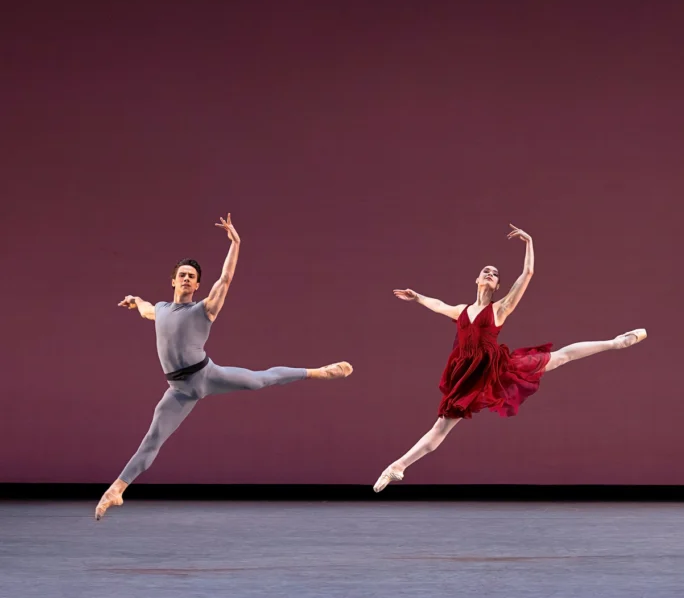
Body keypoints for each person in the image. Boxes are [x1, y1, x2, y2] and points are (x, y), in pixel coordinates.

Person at [95, 214, 352, 519]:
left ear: (197, 284)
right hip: (178, 391)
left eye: (192, 276)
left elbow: (225, 279)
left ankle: (317, 371)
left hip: (206, 375)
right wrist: (134, 299)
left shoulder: (205, 309)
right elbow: (146, 309)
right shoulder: (161, 309)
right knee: (153, 439)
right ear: (174, 280)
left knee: (260, 380)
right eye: (183, 275)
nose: (187, 279)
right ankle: (117, 490)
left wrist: (235, 243)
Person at [372, 224, 647, 492]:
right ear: (478, 280)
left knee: (560, 357)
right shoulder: (462, 311)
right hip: (468, 374)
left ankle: (616, 342)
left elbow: (527, 274)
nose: (490, 273)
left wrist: (529, 243)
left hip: (496, 368)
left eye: (495, 273)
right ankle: (397, 466)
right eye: (485, 271)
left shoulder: (500, 308)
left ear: (498, 284)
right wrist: (417, 297)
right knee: (441, 426)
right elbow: (439, 305)